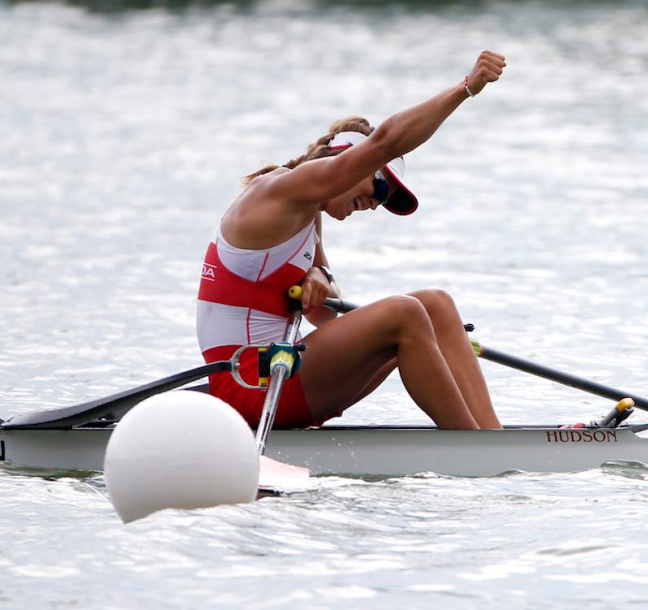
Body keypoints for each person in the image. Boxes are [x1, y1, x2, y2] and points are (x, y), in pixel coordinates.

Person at [197, 51, 506, 431]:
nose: (376, 204)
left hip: (279, 372)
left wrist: (320, 275)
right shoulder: (281, 192)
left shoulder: (306, 213)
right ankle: (473, 449)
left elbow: (325, 312)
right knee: (405, 313)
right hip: (248, 384)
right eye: (379, 186)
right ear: (345, 161)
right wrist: (466, 89)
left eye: (384, 199)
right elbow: (388, 142)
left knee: (436, 306)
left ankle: (492, 436)